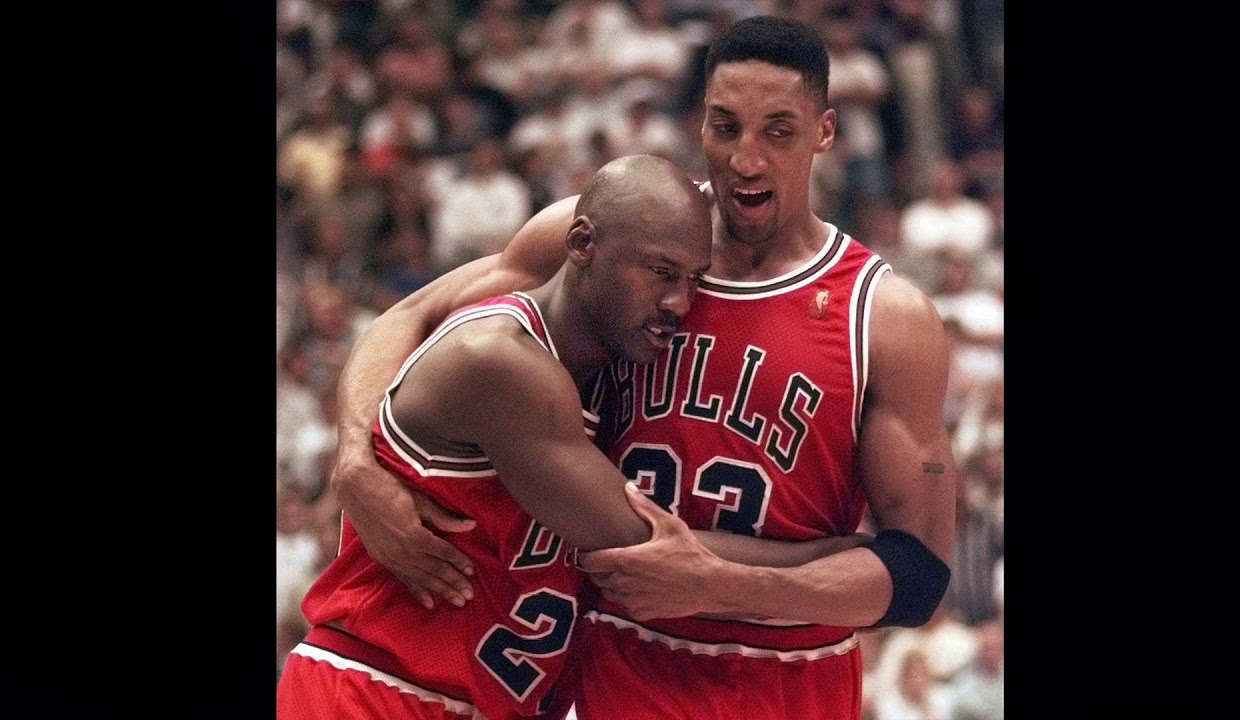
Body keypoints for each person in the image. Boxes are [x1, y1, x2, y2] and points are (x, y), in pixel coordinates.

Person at [327, 16, 957, 720]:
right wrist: (354, 457)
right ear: (699, 124)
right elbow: (411, 316)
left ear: (825, 132)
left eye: (778, 132)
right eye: (725, 127)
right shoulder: (620, 233)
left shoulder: (885, 317)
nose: (747, 160)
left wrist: (721, 583)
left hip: (788, 673)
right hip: (616, 656)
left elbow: (918, 575)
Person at [276, 154, 714, 720]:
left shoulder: (653, 274)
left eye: (693, 280)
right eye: (661, 273)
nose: (680, 302)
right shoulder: (505, 355)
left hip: (486, 697)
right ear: (583, 245)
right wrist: (355, 455)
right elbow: (410, 312)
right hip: (378, 687)